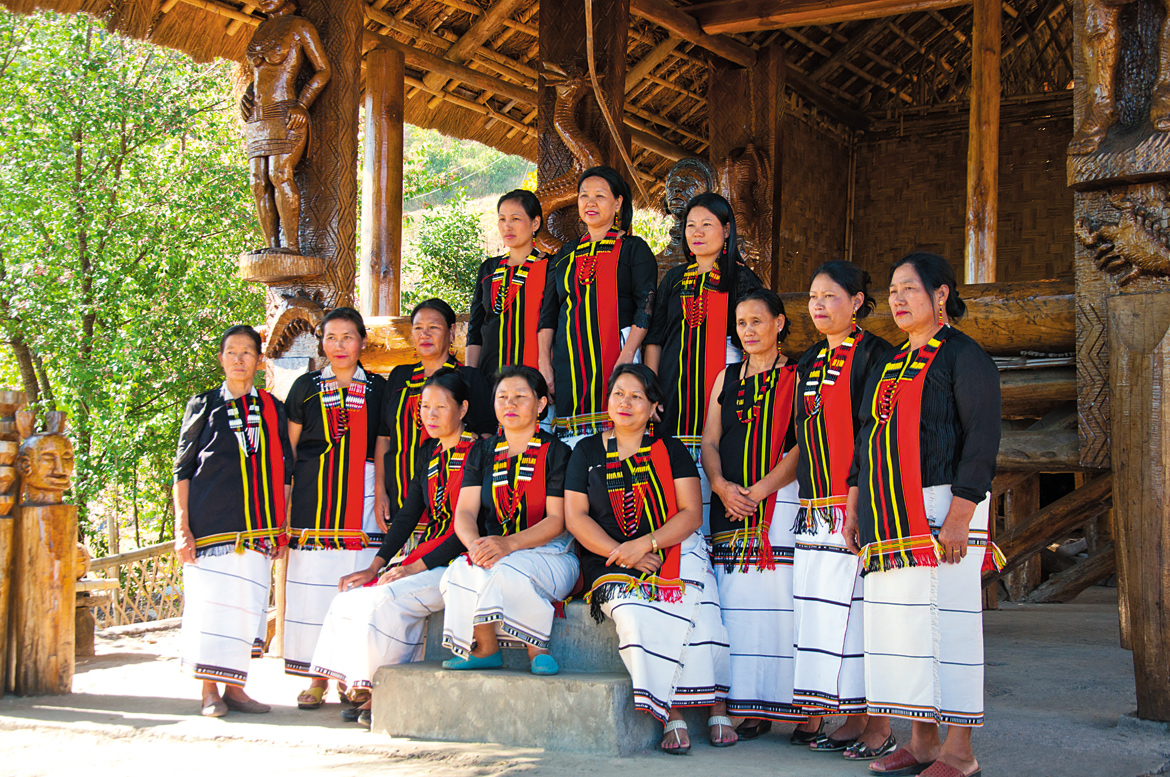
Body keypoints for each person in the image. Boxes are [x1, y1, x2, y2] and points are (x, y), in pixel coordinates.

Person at [844, 252, 1003, 777]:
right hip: (887, 515)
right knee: (903, 630)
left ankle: (960, 753)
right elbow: (867, 437)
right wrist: (854, 505)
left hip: (943, 510)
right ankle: (923, 741)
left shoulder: (964, 356)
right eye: (891, 290)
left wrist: (961, 514)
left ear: (940, 296)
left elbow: (981, 438)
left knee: (951, 629)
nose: (896, 299)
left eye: (908, 288)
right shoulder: (889, 365)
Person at [565, 364, 733, 754]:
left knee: (702, 607)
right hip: (607, 559)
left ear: (655, 406)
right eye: (618, 394)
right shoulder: (586, 450)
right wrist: (621, 552)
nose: (624, 403)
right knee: (635, 614)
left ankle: (716, 701)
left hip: (670, 548)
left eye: (636, 396)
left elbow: (691, 513)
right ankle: (670, 708)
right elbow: (576, 516)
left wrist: (647, 544)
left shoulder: (669, 449)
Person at [310, 369, 479, 727]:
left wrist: (415, 567)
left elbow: (470, 526)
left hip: (463, 561)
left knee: (384, 600)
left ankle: (379, 692)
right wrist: (376, 565)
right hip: (428, 556)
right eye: (425, 407)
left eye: (440, 407)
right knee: (351, 596)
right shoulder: (429, 451)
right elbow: (408, 515)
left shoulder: (480, 452)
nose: (430, 415)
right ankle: (358, 686)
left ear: (462, 409)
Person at [699, 289, 818, 744]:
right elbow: (710, 441)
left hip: (780, 502)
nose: (747, 330)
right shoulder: (725, 378)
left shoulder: (800, 373)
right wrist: (721, 486)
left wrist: (760, 490)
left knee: (784, 605)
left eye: (757, 321)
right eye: (741, 323)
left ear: (780, 324)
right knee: (738, 607)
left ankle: (807, 711)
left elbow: (804, 442)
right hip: (728, 502)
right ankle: (751, 705)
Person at [791, 262, 896, 759]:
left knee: (866, 611)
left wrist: (857, 501)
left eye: (830, 296)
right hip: (814, 507)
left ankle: (880, 723)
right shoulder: (809, 359)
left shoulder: (877, 354)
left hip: (858, 503)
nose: (818, 305)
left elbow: (874, 432)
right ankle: (851, 714)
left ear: (856, 302)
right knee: (836, 618)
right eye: (813, 296)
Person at [174, 325, 294, 717]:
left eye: (248, 352)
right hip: (211, 527)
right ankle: (209, 691)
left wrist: (282, 525)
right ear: (222, 358)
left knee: (247, 607)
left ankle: (236, 688)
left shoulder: (273, 407)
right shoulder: (203, 404)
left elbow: (285, 467)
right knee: (212, 606)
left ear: (260, 361)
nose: (240, 358)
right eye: (232, 352)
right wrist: (182, 527)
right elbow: (183, 467)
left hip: (260, 528)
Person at [283, 307, 389, 709]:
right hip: (313, 497)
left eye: (348, 337)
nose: (339, 345)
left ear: (363, 341)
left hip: (361, 499)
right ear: (321, 342)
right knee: (313, 588)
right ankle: (316, 678)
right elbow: (288, 450)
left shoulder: (380, 389)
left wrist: (381, 492)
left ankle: (355, 677)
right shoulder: (304, 386)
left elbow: (383, 444)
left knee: (356, 588)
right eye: (331, 337)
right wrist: (286, 500)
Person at [439, 366, 577, 674]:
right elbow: (464, 512)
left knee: (505, 571)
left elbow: (557, 521)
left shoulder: (558, 452)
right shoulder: (482, 451)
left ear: (541, 404)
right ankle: (485, 649)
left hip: (550, 554)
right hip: (493, 551)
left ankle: (536, 648)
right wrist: (477, 546)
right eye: (502, 397)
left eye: (520, 396)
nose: (510, 404)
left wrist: (508, 544)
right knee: (457, 573)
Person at [645, 192, 761, 533]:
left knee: (718, 462)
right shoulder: (674, 278)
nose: (696, 232)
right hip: (673, 391)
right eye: (690, 225)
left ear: (726, 230)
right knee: (674, 476)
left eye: (706, 225)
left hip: (722, 390)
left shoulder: (741, 279)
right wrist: (650, 392)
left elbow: (753, 340)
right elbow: (655, 338)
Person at [538, 166, 657, 446]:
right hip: (569, 364)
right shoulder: (565, 255)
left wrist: (628, 355)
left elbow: (646, 305)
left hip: (619, 357)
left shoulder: (633, 249)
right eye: (584, 196)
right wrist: (545, 362)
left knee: (619, 439)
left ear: (618, 203)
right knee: (572, 452)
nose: (590, 203)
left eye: (600, 196)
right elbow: (548, 314)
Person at [380, 298, 494, 524]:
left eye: (433, 327)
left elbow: (487, 439)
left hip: (453, 501)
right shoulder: (398, 377)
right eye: (418, 328)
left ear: (451, 331)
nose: (425, 334)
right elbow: (384, 438)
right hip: (398, 496)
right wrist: (380, 492)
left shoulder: (470, 378)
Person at [240, 0, 331, 254]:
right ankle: (271, 246)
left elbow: (323, 70)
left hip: (286, 112)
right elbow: (260, 77)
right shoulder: (261, 29)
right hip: (257, 116)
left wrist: (302, 103)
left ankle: (291, 247)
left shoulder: (300, 26)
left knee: (279, 174)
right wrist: (248, 95)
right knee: (257, 181)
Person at [467, 190, 549, 379]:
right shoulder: (488, 269)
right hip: (490, 377)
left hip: (533, 377)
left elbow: (552, 322)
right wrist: (471, 378)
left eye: (515, 219)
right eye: (502, 219)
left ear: (535, 223)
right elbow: (476, 328)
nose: (507, 226)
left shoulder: (550, 266)